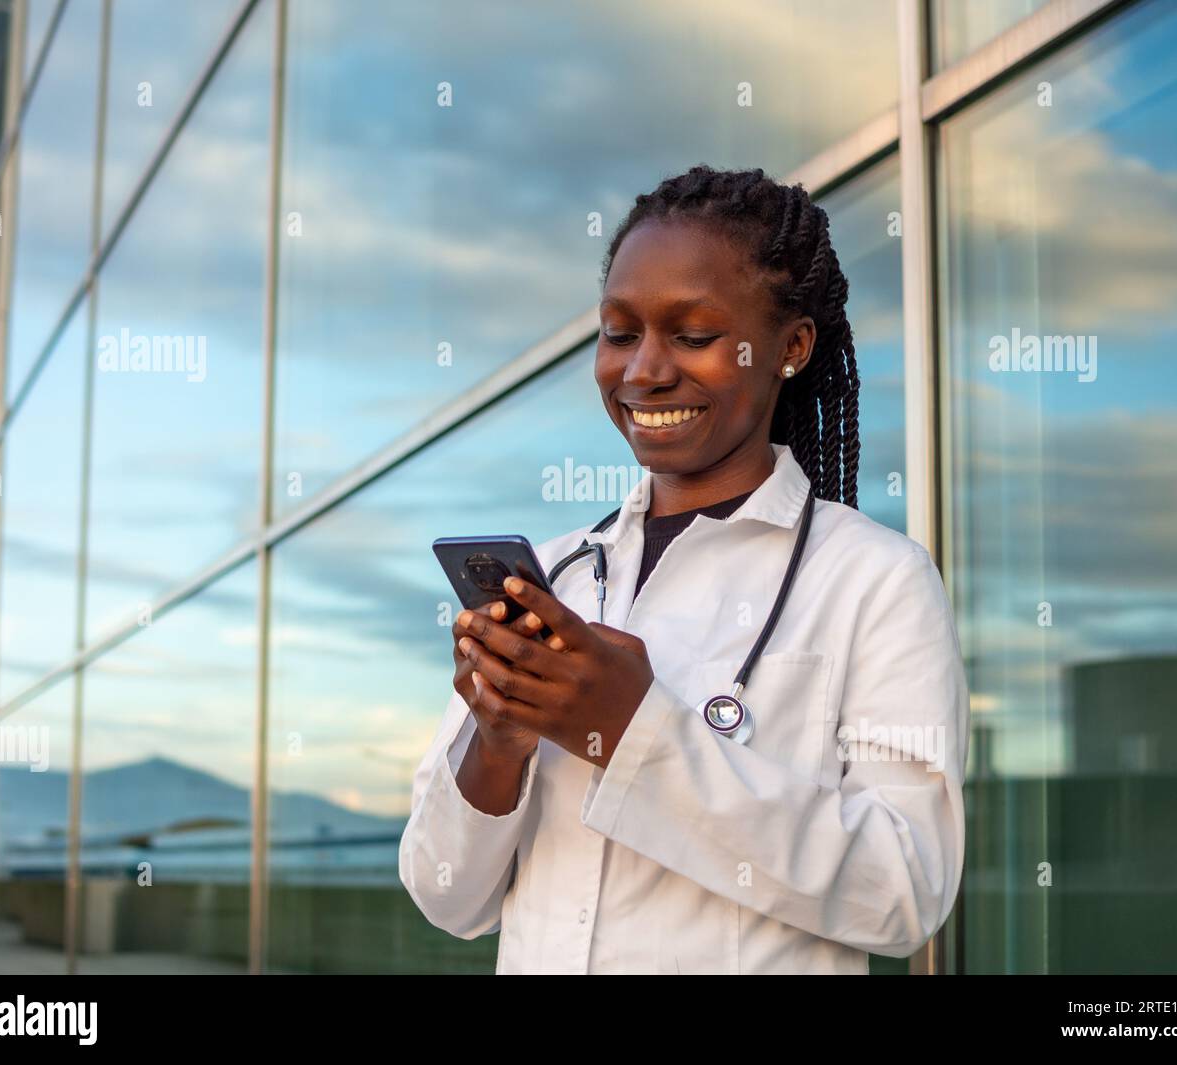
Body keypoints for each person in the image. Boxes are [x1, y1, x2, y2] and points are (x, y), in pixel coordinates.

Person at [399, 164, 969, 974]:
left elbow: (906, 889)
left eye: (694, 336)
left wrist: (635, 731)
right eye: (620, 332)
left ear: (792, 347)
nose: (643, 372)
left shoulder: (876, 581)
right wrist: (499, 742)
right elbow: (447, 897)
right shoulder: (558, 574)